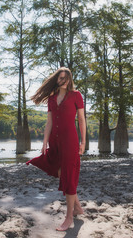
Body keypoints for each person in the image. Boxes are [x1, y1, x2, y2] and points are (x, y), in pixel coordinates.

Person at [26, 67, 86, 231]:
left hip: (70, 141)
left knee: (68, 174)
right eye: (60, 78)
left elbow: (81, 119)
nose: (64, 80)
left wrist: (83, 142)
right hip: (55, 141)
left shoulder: (76, 95)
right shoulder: (52, 99)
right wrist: (45, 141)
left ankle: (68, 218)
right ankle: (78, 207)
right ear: (56, 80)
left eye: (66, 77)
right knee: (62, 173)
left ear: (70, 79)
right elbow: (49, 122)